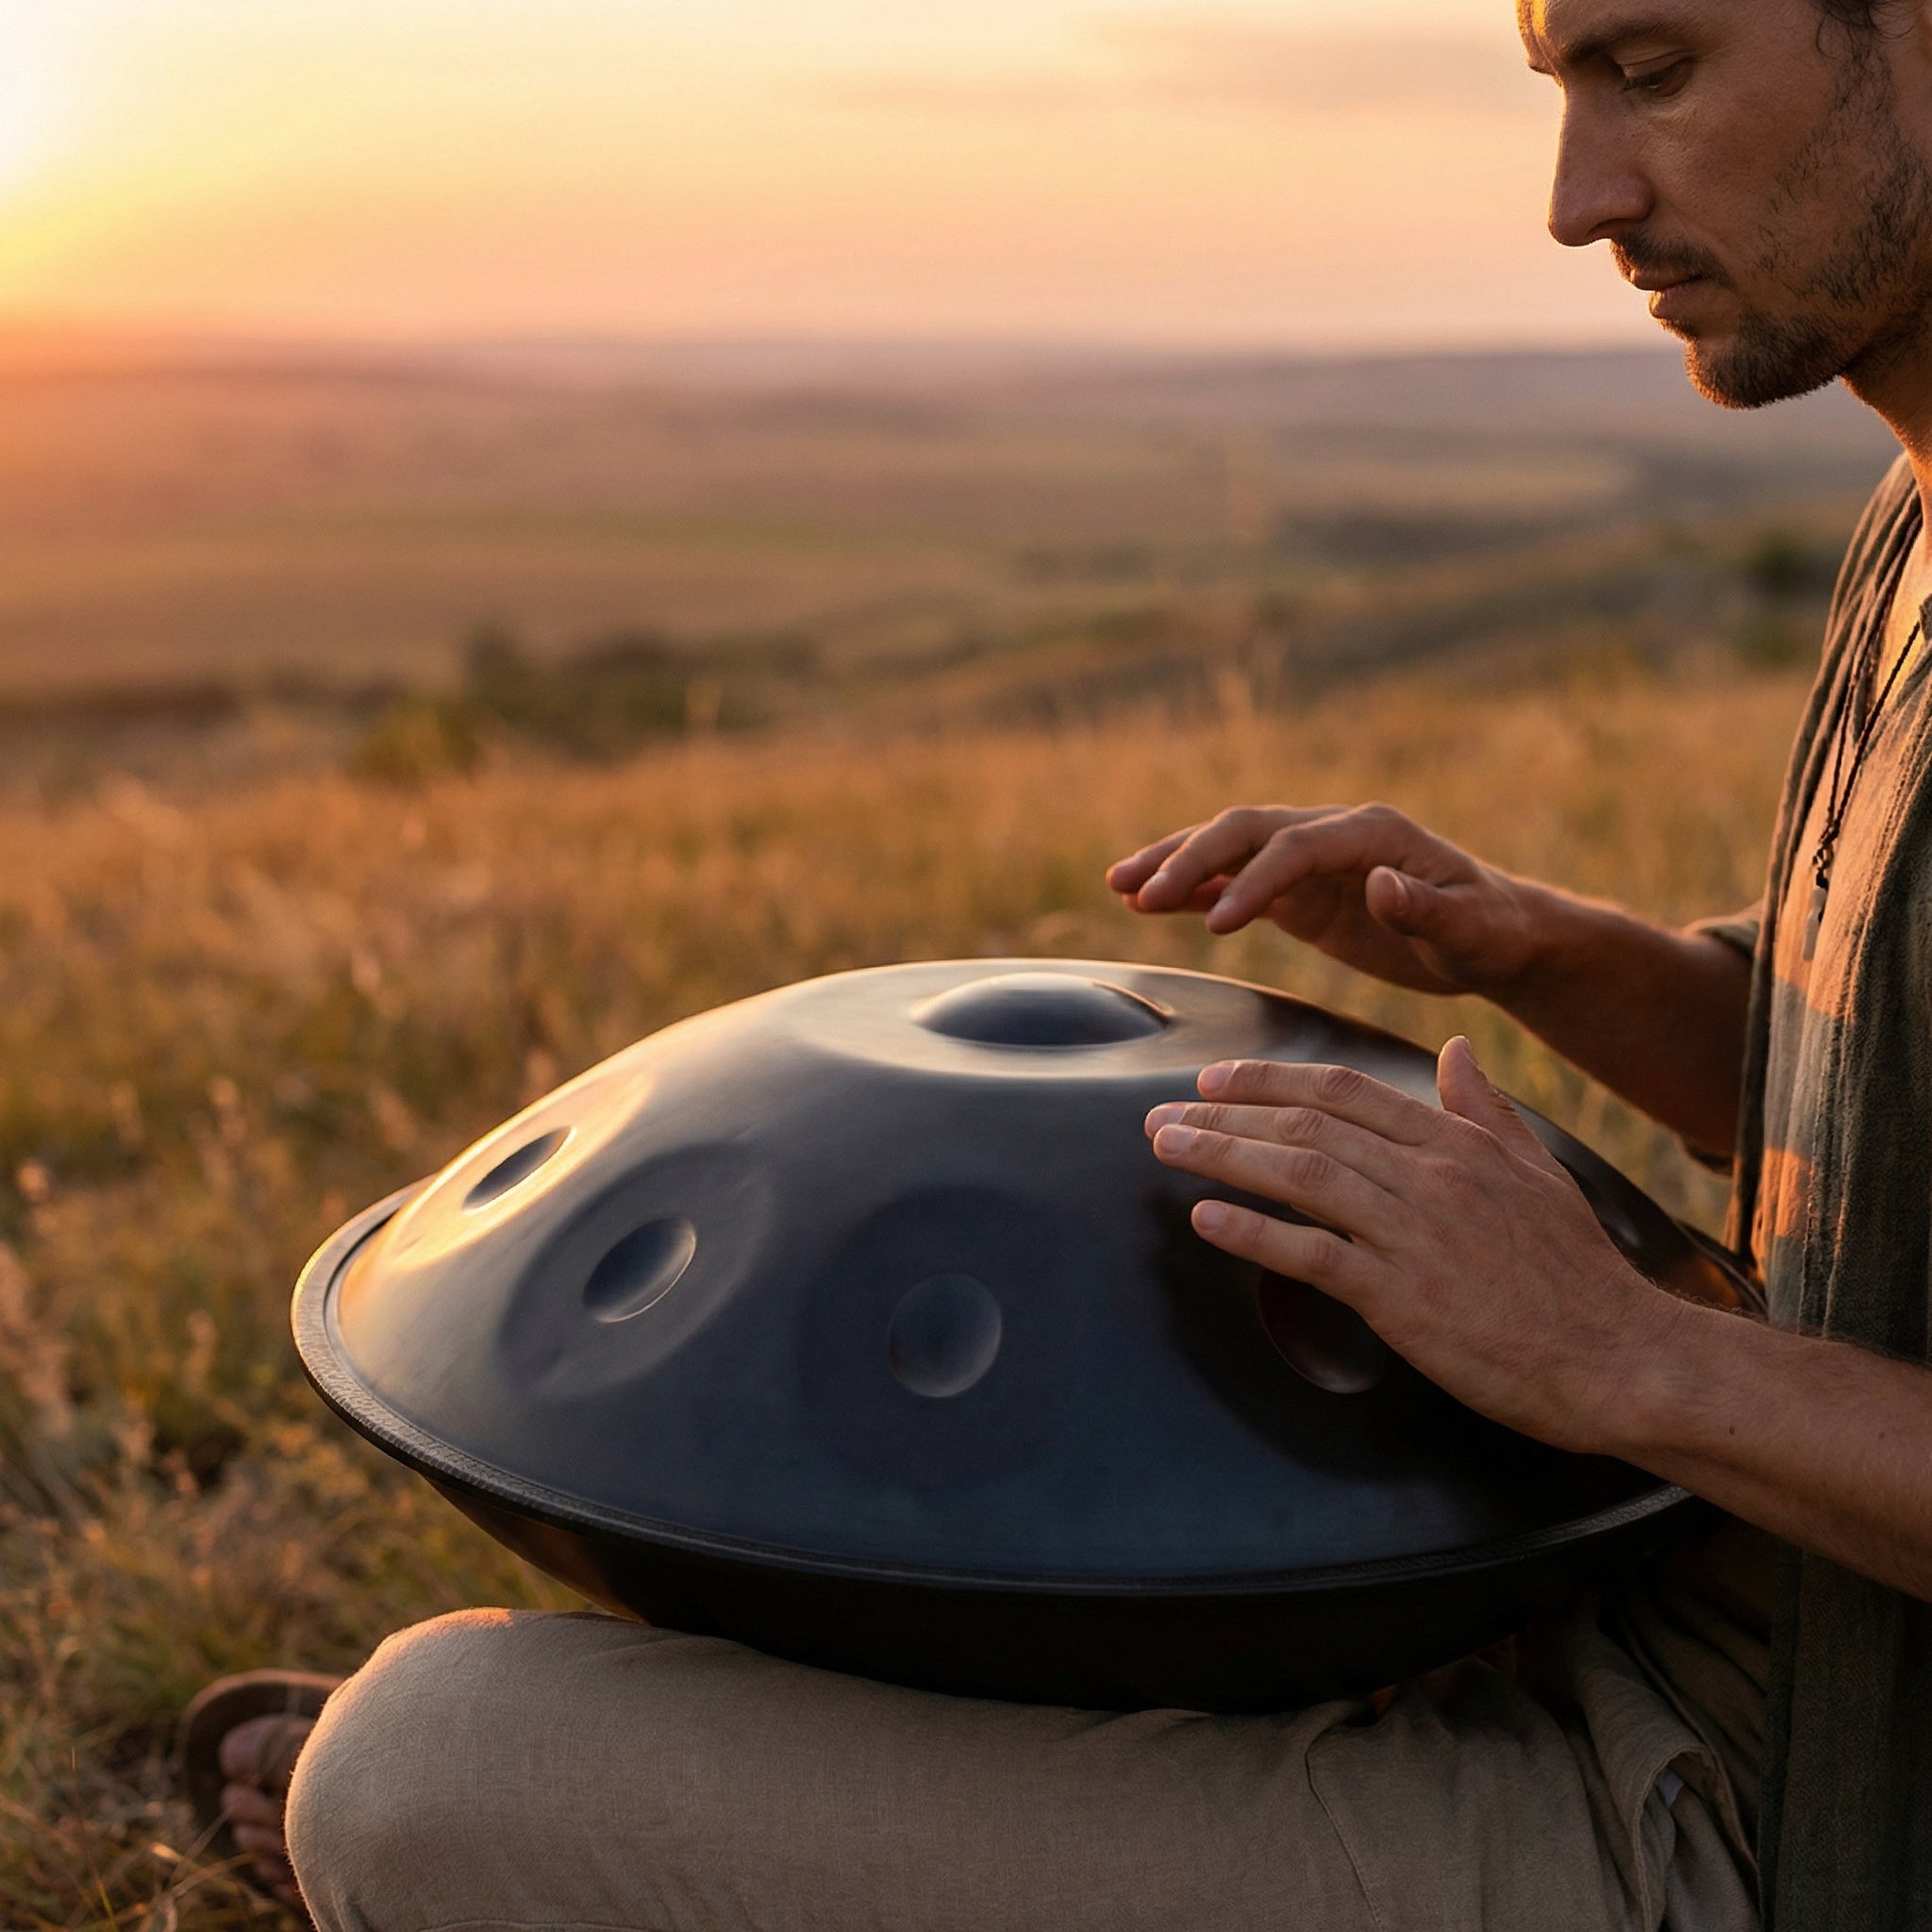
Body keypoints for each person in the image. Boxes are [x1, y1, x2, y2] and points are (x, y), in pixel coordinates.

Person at [192, 1, 1932, 1925]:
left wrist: (1626, 1357)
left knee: (432, 1768)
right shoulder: (1910, 510)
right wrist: (1544, 954)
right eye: (1562, 90)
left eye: (1656, 68)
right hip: (1691, 1610)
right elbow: (1877, 1125)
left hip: (1788, 1831)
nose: (1576, 196)